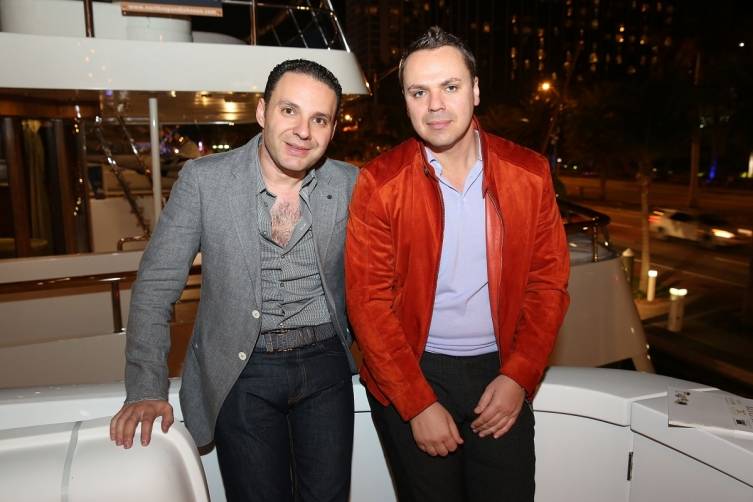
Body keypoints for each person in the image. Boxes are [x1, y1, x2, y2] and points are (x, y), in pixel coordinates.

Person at [110, 59, 358, 502]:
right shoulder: (205, 180)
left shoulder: (349, 183)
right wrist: (146, 388)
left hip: (326, 365)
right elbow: (156, 285)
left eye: (319, 119)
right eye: (289, 111)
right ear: (262, 112)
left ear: (333, 128)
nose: (303, 131)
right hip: (242, 369)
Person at [345, 27, 570, 502]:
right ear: (405, 102)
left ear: (475, 90)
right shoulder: (379, 183)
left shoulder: (530, 174)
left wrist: (519, 375)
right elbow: (368, 304)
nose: (435, 105)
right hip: (413, 369)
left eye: (450, 86)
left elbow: (547, 285)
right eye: (418, 92)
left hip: (501, 367)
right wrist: (416, 403)